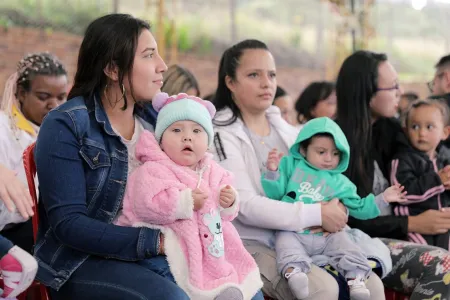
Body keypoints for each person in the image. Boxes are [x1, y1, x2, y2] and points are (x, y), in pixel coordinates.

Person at [211, 39, 385, 300]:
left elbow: (326, 181)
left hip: (311, 236)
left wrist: (337, 209)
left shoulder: (290, 132)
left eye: (271, 74)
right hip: (254, 242)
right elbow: (244, 206)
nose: (266, 83)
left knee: (371, 286)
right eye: (253, 75)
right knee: (322, 289)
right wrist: (316, 213)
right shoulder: (219, 135)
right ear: (230, 82)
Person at [33, 14, 192, 300]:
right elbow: (69, 225)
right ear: (112, 69)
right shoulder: (66, 124)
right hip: (82, 261)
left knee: (243, 290)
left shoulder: (156, 121)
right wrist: (155, 242)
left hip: (157, 251)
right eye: (148, 55)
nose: (162, 66)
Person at [116, 92, 264, 300]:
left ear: (207, 140)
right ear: (161, 140)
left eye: (197, 131)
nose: (187, 137)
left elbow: (226, 208)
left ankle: (228, 286)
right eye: (176, 130)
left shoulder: (213, 170)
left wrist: (228, 201)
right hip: (167, 249)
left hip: (212, 249)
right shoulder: (152, 170)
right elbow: (145, 204)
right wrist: (184, 202)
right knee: (183, 281)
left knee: (251, 290)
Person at [337, 50, 450, 299]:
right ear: (367, 93)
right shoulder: (334, 143)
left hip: (403, 236)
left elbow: (425, 165)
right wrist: (411, 223)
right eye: (393, 87)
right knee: (443, 264)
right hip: (360, 242)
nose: (400, 92)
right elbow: (347, 218)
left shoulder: (392, 130)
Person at [261, 117, 406, 300]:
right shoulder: (291, 166)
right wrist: (273, 171)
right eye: (321, 152)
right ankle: (295, 274)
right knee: (284, 244)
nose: (329, 158)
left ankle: (356, 280)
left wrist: (383, 198)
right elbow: (275, 195)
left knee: (346, 244)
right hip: (294, 230)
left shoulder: (342, 183)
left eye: (336, 153)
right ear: (304, 150)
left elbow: (359, 208)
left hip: (328, 235)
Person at [0, 52, 68, 252]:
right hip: (10, 231)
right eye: (43, 97)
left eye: (61, 97)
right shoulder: (5, 129)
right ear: (21, 93)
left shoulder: (56, 131)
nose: (54, 105)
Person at [390, 99, 450, 249]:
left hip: (442, 224)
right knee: (433, 258)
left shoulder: (445, 159)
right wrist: (438, 180)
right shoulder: (403, 159)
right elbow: (402, 194)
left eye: (429, 127)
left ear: (445, 132)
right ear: (406, 131)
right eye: (415, 127)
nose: (422, 133)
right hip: (415, 228)